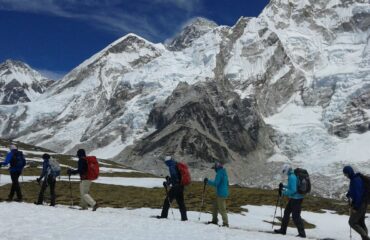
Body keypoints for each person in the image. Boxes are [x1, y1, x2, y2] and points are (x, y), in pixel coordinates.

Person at [274, 164, 306, 238]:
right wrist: (283, 186)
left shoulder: (292, 177)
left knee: (296, 216)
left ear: (287, 170)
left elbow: (293, 190)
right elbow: (291, 186)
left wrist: (283, 192)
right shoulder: (292, 175)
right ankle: (283, 230)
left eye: (284, 171)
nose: (284, 172)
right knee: (286, 213)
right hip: (294, 198)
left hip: (296, 199)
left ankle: (302, 234)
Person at [156, 156, 187, 221]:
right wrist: (169, 179)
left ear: (167, 162)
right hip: (181, 186)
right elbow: (177, 177)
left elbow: (174, 178)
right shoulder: (176, 164)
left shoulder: (171, 166)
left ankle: (163, 216)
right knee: (181, 202)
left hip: (175, 187)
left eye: (166, 162)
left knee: (167, 201)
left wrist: (167, 183)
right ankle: (184, 218)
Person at [343, 166, 370, 240]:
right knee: (361, 222)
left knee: (352, 222)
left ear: (349, 172)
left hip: (360, 205)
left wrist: (356, 207)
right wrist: (349, 194)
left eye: (345, 174)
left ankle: (366, 238)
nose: (345, 176)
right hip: (364, 203)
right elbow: (355, 191)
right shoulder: (355, 178)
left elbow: (358, 195)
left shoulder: (355, 180)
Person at [204, 162, 229, 227]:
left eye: (214, 168)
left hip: (221, 194)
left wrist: (208, 181)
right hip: (222, 193)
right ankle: (214, 220)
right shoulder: (224, 173)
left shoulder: (219, 173)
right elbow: (227, 183)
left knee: (222, 209)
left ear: (217, 168)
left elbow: (216, 183)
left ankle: (225, 224)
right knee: (215, 207)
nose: (214, 170)